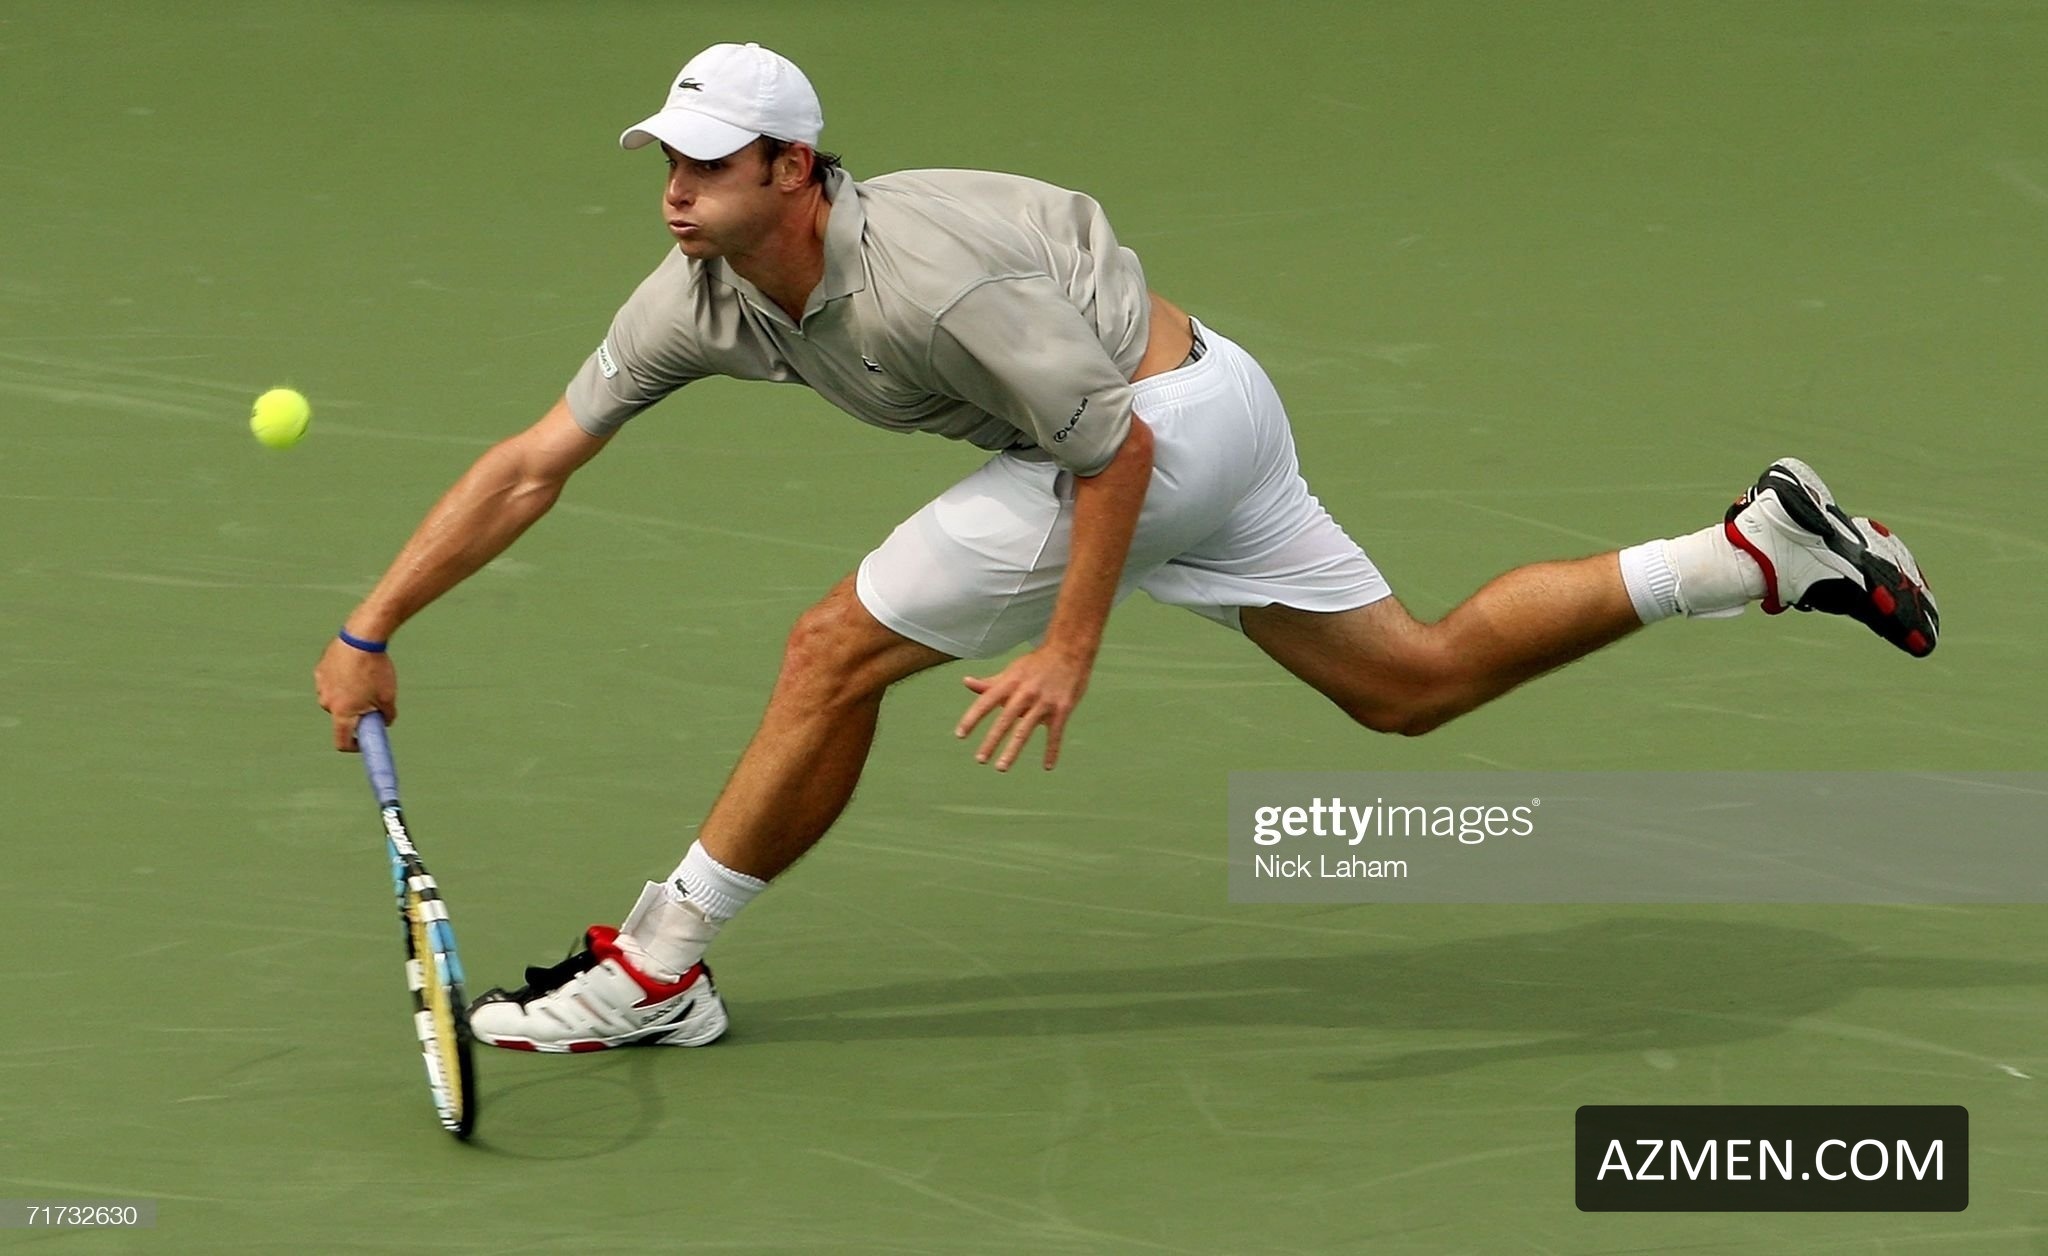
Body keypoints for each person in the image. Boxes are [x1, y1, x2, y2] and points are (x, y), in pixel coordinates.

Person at [313, 42, 1939, 1054]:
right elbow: (531, 465)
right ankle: (1755, 552)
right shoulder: (697, 297)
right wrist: (372, 627)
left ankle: (659, 969)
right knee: (1411, 683)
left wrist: (1068, 647)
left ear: (792, 169)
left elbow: (1115, 451)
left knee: (831, 651)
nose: (673, 193)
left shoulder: (927, 279)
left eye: (706, 166)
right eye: (666, 163)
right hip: (1199, 403)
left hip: (1155, 428)